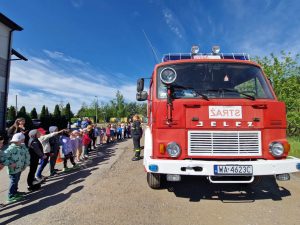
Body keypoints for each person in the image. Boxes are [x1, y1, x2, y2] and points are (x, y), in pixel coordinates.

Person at [1, 133, 30, 203]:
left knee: (16, 180)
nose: (23, 141)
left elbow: (25, 155)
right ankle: (11, 196)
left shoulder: (22, 146)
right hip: (13, 169)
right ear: (18, 140)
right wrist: (10, 163)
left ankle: (15, 192)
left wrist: (24, 165)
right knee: (13, 181)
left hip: (19, 168)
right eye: (22, 140)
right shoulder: (11, 148)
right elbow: (3, 158)